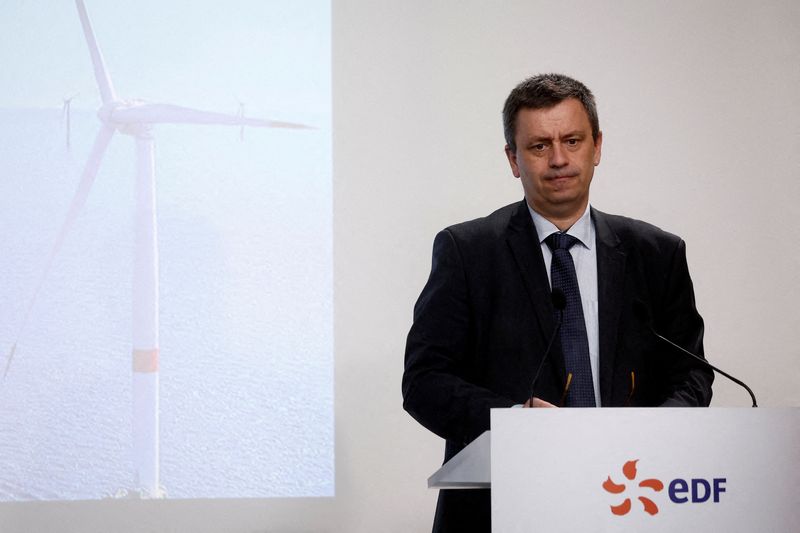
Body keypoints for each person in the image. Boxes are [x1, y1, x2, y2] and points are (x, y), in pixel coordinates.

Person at [402, 73, 714, 533]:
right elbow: (424, 381)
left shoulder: (656, 253)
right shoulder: (468, 252)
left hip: (631, 499)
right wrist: (514, 424)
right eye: (539, 146)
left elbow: (692, 373)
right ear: (513, 159)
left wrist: (652, 434)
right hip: (503, 507)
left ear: (598, 147)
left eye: (572, 140)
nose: (560, 159)